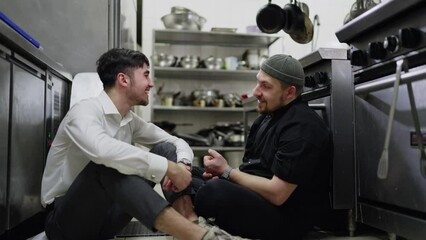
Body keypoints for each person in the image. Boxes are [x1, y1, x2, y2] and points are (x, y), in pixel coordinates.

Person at [40, 48, 246, 240]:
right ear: (123, 79)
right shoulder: (84, 112)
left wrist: (181, 165)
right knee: (105, 167)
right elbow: (102, 151)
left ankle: (190, 220)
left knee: (166, 149)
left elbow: (175, 142)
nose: (151, 83)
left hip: (106, 220)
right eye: (146, 75)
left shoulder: (129, 120)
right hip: (65, 222)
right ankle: (198, 237)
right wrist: (168, 168)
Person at [163, 54, 333, 240]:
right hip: (256, 198)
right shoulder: (265, 119)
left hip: (285, 218)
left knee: (213, 192)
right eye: (258, 83)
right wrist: (221, 173)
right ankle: (193, 223)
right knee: (172, 166)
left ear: (290, 93)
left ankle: (195, 225)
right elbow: (251, 171)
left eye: (266, 86)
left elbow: (278, 194)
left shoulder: (302, 127)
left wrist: (227, 172)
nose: (255, 92)